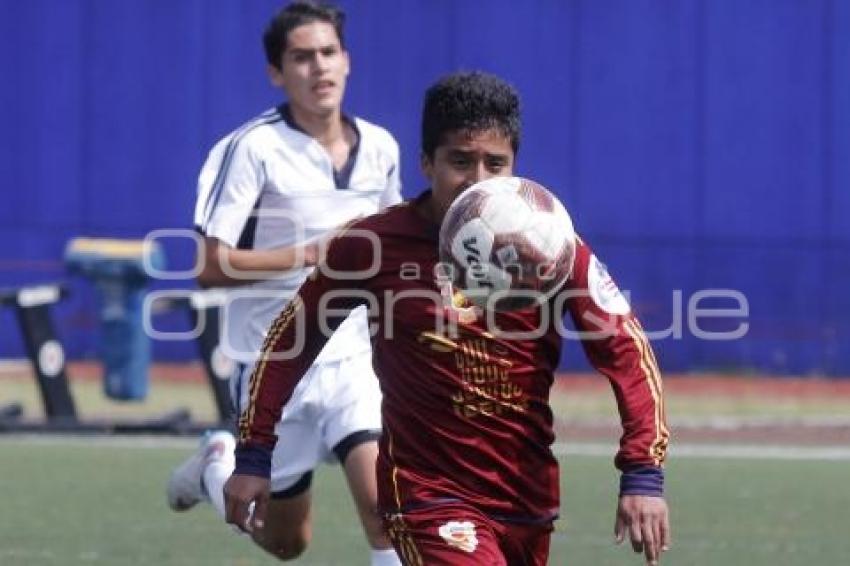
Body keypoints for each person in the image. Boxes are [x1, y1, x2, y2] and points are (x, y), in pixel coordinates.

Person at [223, 71, 671, 565]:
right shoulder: (371, 245)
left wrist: (642, 472)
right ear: (426, 164)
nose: (478, 180)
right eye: (460, 161)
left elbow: (628, 352)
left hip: (525, 499)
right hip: (425, 495)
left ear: (515, 166)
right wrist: (254, 453)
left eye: (495, 164)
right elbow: (290, 341)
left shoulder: (551, 245)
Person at [166, 2, 402, 565]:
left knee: (386, 512)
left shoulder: (382, 148)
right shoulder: (251, 149)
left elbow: (395, 247)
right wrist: (310, 255)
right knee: (286, 542)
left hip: (353, 359)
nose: (318, 67)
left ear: (347, 61)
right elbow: (210, 264)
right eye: (301, 57)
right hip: (273, 359)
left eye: (328, 53)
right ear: (277, 72)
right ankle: (217, 464)